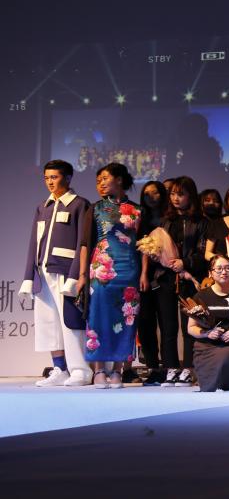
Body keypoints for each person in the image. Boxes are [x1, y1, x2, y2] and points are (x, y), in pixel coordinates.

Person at [21, 160, 92, 387]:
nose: (50, 182)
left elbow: (83, 243)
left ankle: (80, 370)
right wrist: (28, 276)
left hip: (65, 272)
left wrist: (75, 275)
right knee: (48, 323)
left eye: (55, 177)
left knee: (70, 322)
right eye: (47, 178)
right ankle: (59, 368)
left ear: (68, 178)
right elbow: (34, 243)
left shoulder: (79, 204)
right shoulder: (43, 206)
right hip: (43, 272)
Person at [81, 163, 146, 389]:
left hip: (129, 269)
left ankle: (118, 370)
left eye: (105, 178)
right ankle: (99, 369)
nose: (100, 183)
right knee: (98, 316)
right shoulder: (96, 208)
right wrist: (82, 275)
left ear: (119, 179)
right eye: (98, 180)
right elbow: (84, 244)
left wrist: (143, 273)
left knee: (127, 318)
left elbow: (144, 244)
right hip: (101, 269)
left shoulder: (138, 210)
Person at [157, 176, 209, 387]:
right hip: (166, 278)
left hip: (190, 279)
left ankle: (188, 368)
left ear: (191, 196)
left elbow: (203, 252)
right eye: (172, 194)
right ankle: (170, 368)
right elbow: (157, 246)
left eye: (181, 194)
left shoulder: (201, 221)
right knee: (168, 327)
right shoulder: (166, 220)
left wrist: (185, 262)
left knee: (190, 324)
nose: (175, 198)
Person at [186, 254, 229, 392]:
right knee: (208, 384)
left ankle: (224, 382)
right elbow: (191, 327)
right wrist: (207, 333)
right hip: (206, 346)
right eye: (219, 269)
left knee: (226, 358)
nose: (224, 272)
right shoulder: (201, 296)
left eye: (227, 268)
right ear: (210, 273)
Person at [135, 180, 168, 384]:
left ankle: (169, 366)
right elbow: (140, 249)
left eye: (155, 193)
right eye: (146, 194)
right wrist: (144, 274)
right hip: (144, 277)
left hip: (166, 276)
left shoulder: (169, 219)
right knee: (146, 323)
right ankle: (152, 366)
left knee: (166, 325)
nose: (150, 197)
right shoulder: (141, 219)